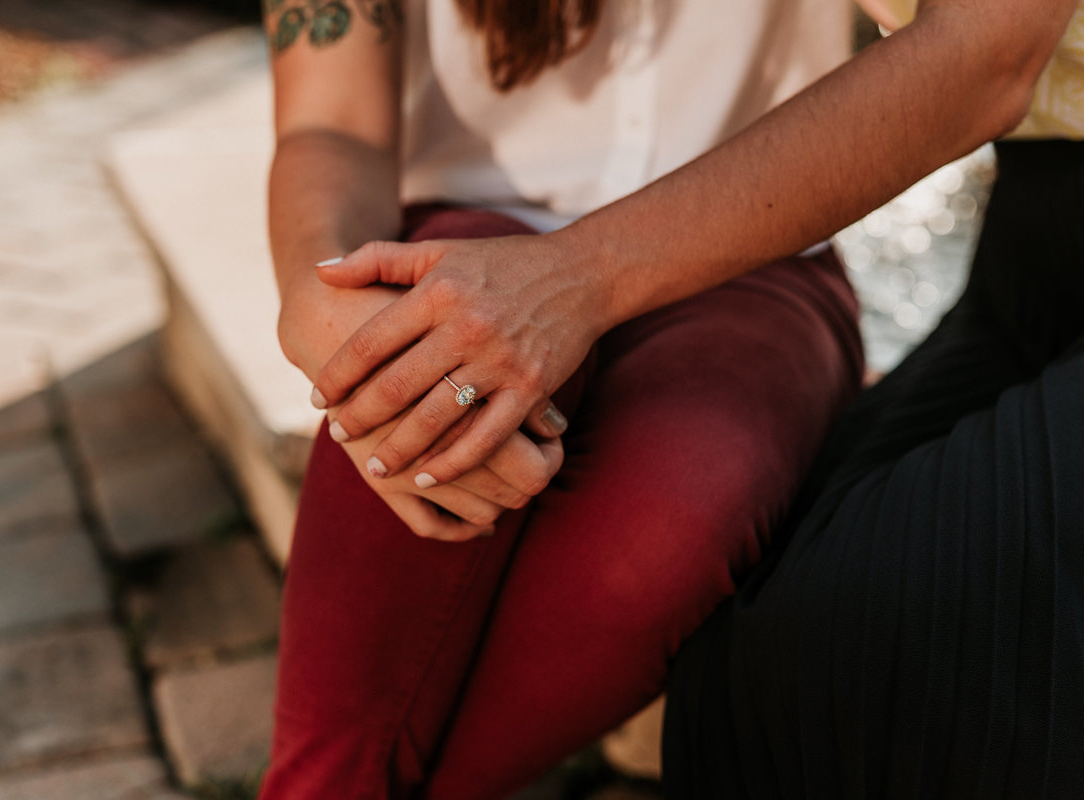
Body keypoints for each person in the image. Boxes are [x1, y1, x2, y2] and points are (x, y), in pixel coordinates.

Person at [257, 1, 867, 798]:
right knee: (426, 383)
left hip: (756, 244)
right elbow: (328, 120)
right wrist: (321, 296)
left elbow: (952, 58)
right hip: (462, 234)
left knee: (675, 515)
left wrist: (577, 278)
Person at [659, 2, 1084, 798]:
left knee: (902, 626)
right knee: (747, 645)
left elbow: (979, 60)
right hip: (1035, 234)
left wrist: (568, 283)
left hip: (1018, 161)